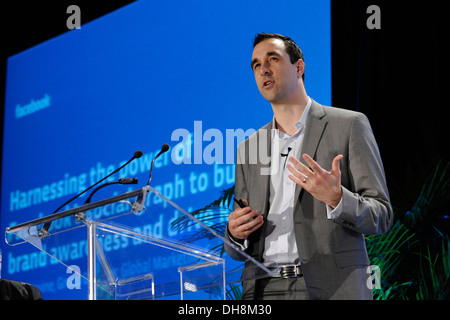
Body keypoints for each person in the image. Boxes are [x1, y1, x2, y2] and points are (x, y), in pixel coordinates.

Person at [225, 33, 393, 300]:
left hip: (331, 287)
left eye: (273, 59)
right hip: (263, 290)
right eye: (256, 65)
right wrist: (234, 234)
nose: (264, 69)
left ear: (299, 67)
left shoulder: (349, 125)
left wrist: (337, 198)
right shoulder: (249, 148)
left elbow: (381, 215)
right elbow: (237, 245)